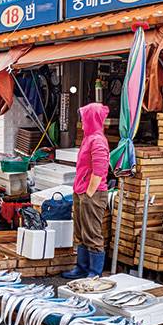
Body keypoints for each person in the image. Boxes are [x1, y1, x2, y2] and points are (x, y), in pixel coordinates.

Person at [62, 102, 110, 280]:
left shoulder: (98, 140)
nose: (82, 122)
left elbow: (100, 170)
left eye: (84, 118)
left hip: (93, 194)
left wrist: (88, 193)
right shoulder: (88, 138)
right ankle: (81, 268)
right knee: (81, 232)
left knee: (92, 233)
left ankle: (94, 272)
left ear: (91, 119)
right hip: (81, 191)